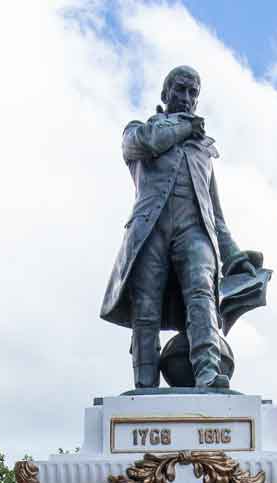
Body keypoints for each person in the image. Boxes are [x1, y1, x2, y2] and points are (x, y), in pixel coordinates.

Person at [100, 65, 264, 389]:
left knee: (203, 294)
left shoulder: (203, 150)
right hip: (149, 231)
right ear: (165, 94)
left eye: (193, 93)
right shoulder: (139, 131)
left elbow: (215, 213)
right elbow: (147, 143)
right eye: (181, 90)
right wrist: (184, 127)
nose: (187, 97)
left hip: (194, 231)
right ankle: (144, 383)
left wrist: (233, 257)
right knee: (145, 306)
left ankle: (207, 373)